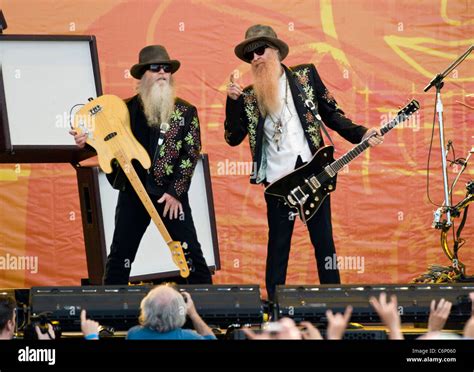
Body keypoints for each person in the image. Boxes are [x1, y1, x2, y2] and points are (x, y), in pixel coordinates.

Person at [224, 25, 383, 300]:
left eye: (260, 50)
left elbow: (333, 114)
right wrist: (232, 103)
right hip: (277, 181)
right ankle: (274, 307)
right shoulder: (249, 97)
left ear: (275, 50)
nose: (256, 58)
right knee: (278, 247)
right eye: (250, 55)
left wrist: (362, 134)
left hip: (313, 172)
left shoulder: (305, 76)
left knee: (324, 242)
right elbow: (232, 137)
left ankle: (334, 303)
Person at [70, 45, 212, 285]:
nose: (162, 73)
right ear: (142, 75)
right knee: (120, 257)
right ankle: (111, 316)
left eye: (166, 69)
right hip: (133, 193)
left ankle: (207, 312)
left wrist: (175, 192)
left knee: (191, 254)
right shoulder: (121, 109)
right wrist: (85, 142)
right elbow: (105, 142)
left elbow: (190, 155)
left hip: (169, 196)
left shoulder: (186, 111)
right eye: (155, 68)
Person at [126, 284, 216, 340]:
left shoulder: (134, 334)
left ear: (145, 309)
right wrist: (193, 314)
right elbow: (211, 338)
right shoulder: (190, 337)